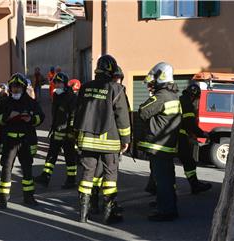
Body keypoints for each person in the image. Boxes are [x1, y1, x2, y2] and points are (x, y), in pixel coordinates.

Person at [74, 55, 131, 224]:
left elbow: (77, 113)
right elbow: (122, 117)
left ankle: (83, 214)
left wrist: (75, 135)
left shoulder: (85, 88)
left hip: (87, 140)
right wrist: (126, 139)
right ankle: (109, 214)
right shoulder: (116, 89)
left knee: (87, 175)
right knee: (110, 176)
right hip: (109, 141)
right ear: (112, 70)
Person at [138, 62, 182, 222]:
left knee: (162, 180)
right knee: (167, 178)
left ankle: (166, 211)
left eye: (153, 82)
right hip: (167, 145)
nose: (151, 85)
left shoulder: (161, 96)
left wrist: (151, 96)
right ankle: (167, 204)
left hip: (159, 146)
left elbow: (143, 112)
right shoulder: (173, 96)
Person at [0, 73, 45, 209]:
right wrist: (7, 116)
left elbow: (41, 117)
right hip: (9, 142)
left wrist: (31, 119)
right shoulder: (4, 102)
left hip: (25, 141)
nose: (15, 90)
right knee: (6, 170)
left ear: (23, 88)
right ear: (10, 88)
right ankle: (3, 199)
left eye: (18, 87)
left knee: (27, 170)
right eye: (13, 87)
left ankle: (29, 197)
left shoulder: (31, 102)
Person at [35, 72, 78, 189]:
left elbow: (74, 115)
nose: (57, 85)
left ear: (65, 84)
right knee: (51, 155)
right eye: (56, 83)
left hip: (67, 133)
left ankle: (71, 180)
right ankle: (45, 177)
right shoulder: (57, 96)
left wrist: (71, 132)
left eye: (59, 83)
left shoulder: (71, 97)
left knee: (69, 157)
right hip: (57, 131)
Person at [179, 84, 212, 193]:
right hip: (179, 137)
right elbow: (190, 124)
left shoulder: (181, 99)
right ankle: (195, 186)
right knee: (188, 161)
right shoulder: (187, 103)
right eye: (197, 98)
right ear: (194, 95)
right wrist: (202, 133)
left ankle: (153, 187)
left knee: (165, 162)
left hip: (176, 135)